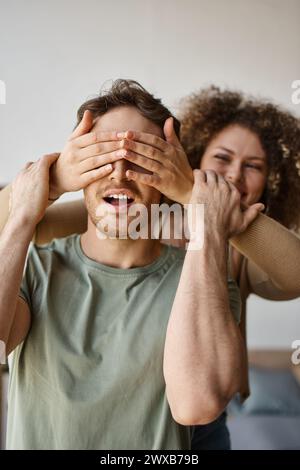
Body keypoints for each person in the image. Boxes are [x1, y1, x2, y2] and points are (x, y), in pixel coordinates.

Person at [0, 80, 256, 450]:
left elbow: (197, 405)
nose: (119, 173)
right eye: (101, 157)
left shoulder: (203, 280)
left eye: (141, 158)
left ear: (166, 178)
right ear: (79, 171)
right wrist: (24, 212)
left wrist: (205, 219)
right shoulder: (37, 268)